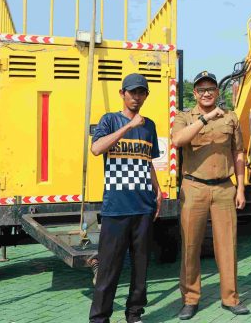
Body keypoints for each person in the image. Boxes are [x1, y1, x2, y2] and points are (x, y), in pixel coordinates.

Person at [171, 71, 250, 320]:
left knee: (227, 245)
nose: (206, 93)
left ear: (218, 92)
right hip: (193, 187)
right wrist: (205, 119)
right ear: (194, 93)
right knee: (191, 245)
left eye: (211, 89)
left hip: (225, 187)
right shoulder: (185, 117)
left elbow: (239, 152)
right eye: (201, 89)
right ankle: (190, 299)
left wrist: (241, 187)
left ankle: (231, 298)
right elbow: (177, 140)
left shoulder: (230, 117)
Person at [88, 73, 162, 323]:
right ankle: (99, 318)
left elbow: (148, 161)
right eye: (132, 92)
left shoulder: (149, 125)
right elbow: (97, 149)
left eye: (141, 92)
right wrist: (129, 126)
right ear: (122, 94)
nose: (137, 97)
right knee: (109, 268)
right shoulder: (110, 120)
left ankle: (134, 314)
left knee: (141, 268)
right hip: (116, 208)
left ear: (146, 95)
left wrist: (158, 190)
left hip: (143, 206)